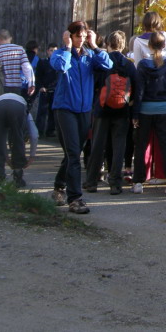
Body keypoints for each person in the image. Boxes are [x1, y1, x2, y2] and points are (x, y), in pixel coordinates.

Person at [50, 21, 112, 214]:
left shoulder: (90, 55)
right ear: (70, 36)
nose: (81, 39)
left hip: (85, 110)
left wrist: (94, 45)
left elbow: (108, 65)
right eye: (78, 36)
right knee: (73, 154)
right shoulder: (60, 54)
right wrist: (68, 48)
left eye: (84, 36)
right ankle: (75, 198)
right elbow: (61, 66)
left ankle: (59, 186)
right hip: (65, 109)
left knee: (74, 153)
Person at [84, 31, 137, 195]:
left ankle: (92, 181)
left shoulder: (102, 61)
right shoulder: (128, 64)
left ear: (107, 44)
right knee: (119, 146)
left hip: (102, 109)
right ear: (123, 45)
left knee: (98, 145)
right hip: (122, 110)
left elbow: (93, 82)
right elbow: (136, 87)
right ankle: (115, 183)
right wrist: (131, 107)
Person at [132, 31, 166, 195]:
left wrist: (135, 114)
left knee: (141, 145)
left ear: (149, 45)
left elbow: (139, 91)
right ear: (164, 45)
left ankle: (138, 181)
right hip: (162, 109)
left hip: (145, 109)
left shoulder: (142, 65)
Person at [0, 92, 38, 187]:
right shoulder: (26, 111)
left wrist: (6, 157)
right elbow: (34, 135)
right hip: (17, 107)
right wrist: (32, 156)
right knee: (18, 138)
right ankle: (18, 176)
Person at [0, 30, 35, 97]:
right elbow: (27, 68)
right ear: (10, 38)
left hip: (1, 86)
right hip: (16, 86)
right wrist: (31, 84)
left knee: (1, 103)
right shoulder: (20, 49)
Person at [34, 44, 59, 137]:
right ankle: (39, 131)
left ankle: (50, 130)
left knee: (53, 112)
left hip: (55, 90)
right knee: (42, 111)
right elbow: (38, 76)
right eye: (51, 50)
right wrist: (40, 87)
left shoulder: (59, 63)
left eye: (55, 50)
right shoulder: (42, 62)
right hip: (45, 89)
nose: (53, 52)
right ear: (48, 51)